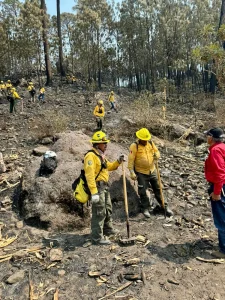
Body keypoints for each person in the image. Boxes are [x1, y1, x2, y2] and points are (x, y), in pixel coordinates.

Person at [84, 131, 124, 245]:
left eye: (106, 143)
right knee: (99, 212)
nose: (106, 145)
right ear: (97, 144)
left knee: (107, 208)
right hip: (97, 188)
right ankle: (96, 237)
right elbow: (90, 175)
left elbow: (109, 167)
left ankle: (108, 229)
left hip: (104, 187)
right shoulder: (90, 156)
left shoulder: (100, 155)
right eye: (104, 143)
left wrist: (118, 162)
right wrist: (94, 192)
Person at [128, 128, 173, 218]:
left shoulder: (151, 143)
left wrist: (157, 155)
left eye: (146, 140)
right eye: (144, 140)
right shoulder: (134, 146)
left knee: (158, 188)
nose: (145, 141)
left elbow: (157, 152)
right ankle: (145, 208)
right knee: (142, 191)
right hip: (141, 172)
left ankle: (164, 206)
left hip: (152, 170)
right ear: (140, 138)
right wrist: (131, 171)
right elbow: (131, 160)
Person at [204, 127, 225, 258]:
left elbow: (220, 174)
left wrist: (217, 192)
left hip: (221, 187)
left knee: (221, 218)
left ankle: (223, 250)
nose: (206, 138)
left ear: (211, 138)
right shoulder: (222, 147)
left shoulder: (216, 151)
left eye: (208, 136)